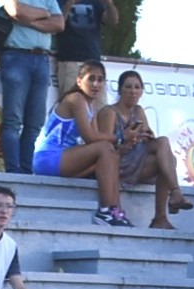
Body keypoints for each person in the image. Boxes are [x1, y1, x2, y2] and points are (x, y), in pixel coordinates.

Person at [35, 61, 127, 225]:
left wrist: (124, 142)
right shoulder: (75, 99)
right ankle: (105, 211)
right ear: (79, 81)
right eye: (91, 79)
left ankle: (116, 211)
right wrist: (120, 138)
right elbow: (90, 137)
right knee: (105, 148)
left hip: (64, 158)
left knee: (112, 154)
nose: (96, 84)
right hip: (48, 158)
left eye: (100, 80)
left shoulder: (91, 106)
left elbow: (96, 138)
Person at [106, 69, 187, 228]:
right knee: (165, 151)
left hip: (137, 160)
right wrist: (125, 139)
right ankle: (174, 194)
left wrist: (146, 136)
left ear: (142, 91)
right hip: (117, 164)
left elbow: (150, 140)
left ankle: (161, 217)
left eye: (137, 87)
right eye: (128, 87)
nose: (133, 91)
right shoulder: (109, 112)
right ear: (120, 90)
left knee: (167, 156)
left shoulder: (138, 110)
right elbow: (104, 147)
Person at [0, 0, 56, 176]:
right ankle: (14, 171)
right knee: (13, 121)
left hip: (42, 59)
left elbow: (59, 23)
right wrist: (45, 14)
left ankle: (27, 172)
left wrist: (28, 19)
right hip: (16, 55)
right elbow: (15, 10)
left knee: (35, 123)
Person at [52, 0, 113, 105]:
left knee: (101, 108)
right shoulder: (58, 1)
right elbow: (56, 25)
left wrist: (109, 4)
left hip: (93, 61)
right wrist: (69, 4)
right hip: (70, 60)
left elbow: (112, 21)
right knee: (71, 105)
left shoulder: (96, 2)